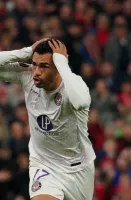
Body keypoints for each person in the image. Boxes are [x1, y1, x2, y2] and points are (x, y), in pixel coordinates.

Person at [0, 38, 96, 200]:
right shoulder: (29, 77)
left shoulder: (74, 86)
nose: (36, 71)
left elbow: (80, 102)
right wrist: (26, 52)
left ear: (59, 67)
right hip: (44, 166)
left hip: (78, 170)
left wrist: (62, 62)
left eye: (44, 66)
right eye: (35, 64)